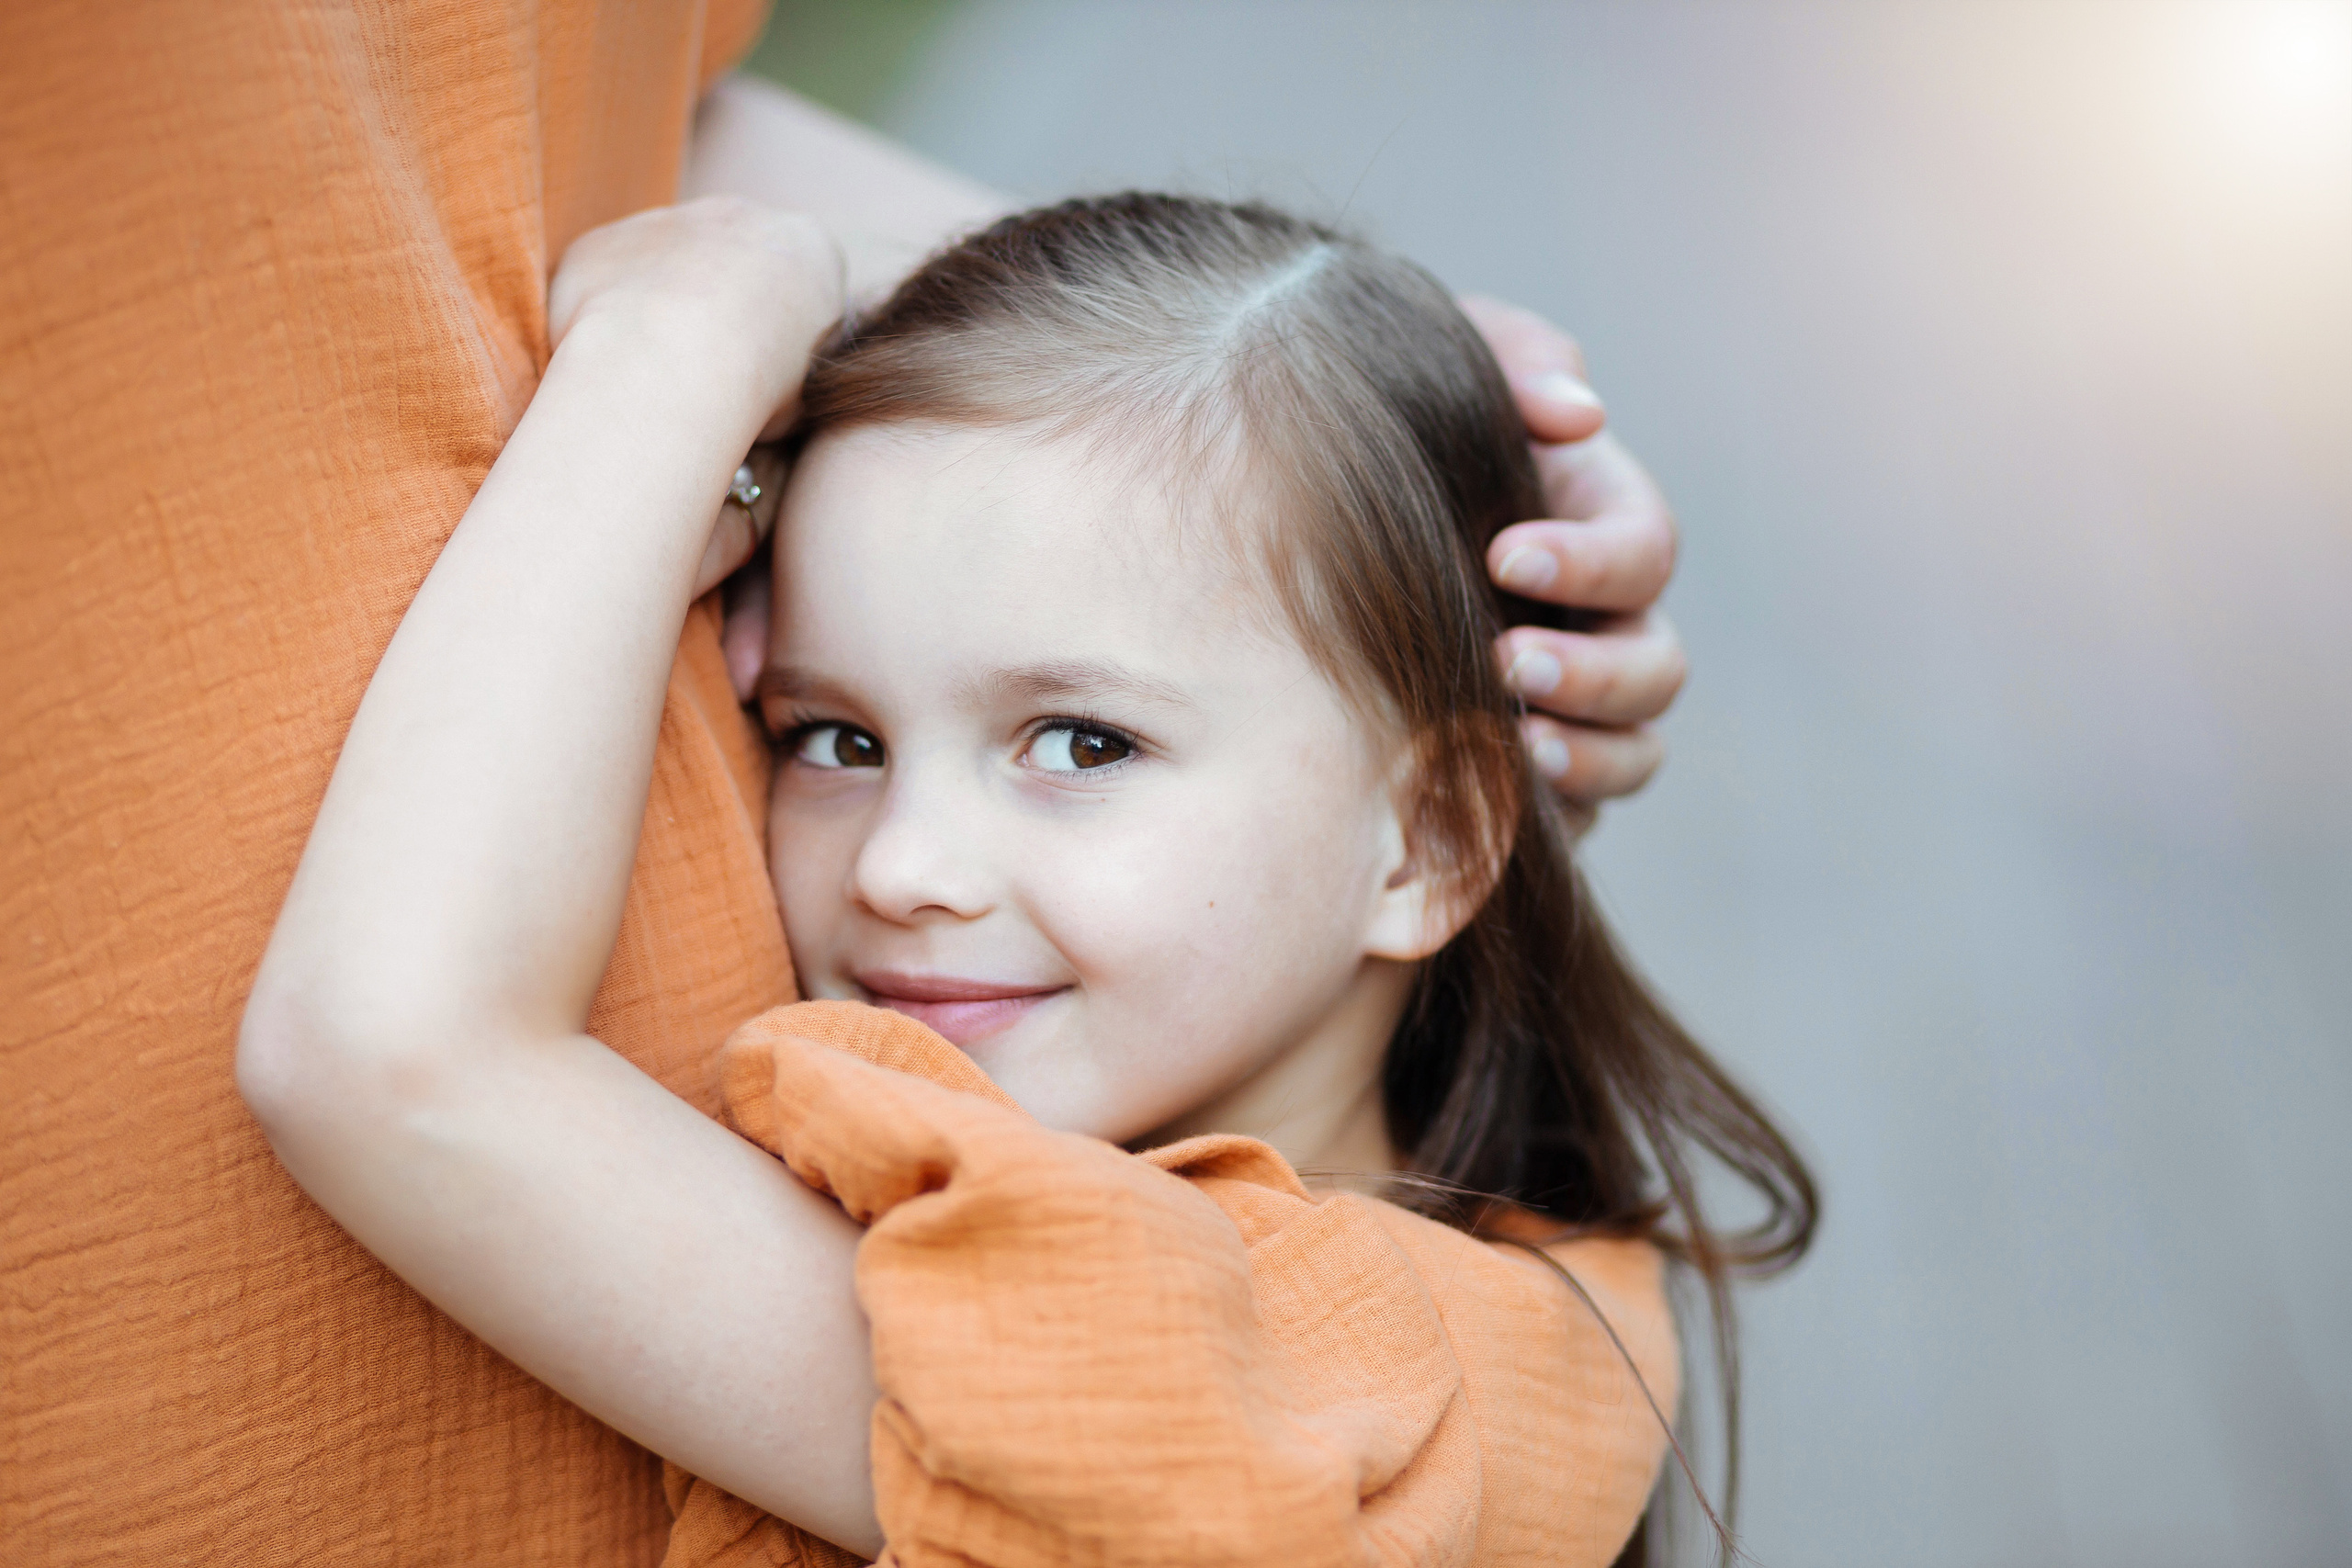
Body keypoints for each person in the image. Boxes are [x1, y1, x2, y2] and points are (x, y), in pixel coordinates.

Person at [1, 7, 1688, 1562]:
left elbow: (395, 1057)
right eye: (830, 738)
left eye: (1082, 744)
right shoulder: (1456, 1328)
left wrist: (679, 349)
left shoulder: (1277, 1412)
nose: (904, 866)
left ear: (1436, 834)